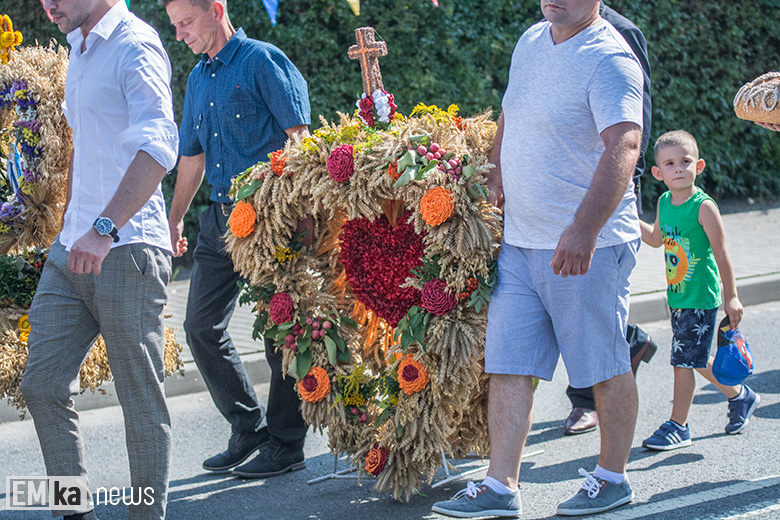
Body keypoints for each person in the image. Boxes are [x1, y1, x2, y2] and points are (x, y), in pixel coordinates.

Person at [431, 0, 644, 517]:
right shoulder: (530, 40)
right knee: (508, 365)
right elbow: (511, 112)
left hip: (585, 245)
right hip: (521, 242)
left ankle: (612, 478)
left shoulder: (610, 58)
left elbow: (627, 144)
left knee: (602, 366)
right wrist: (497, 169)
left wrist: (584, 228)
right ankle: (501, 487)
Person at [21, 0, 179, 518]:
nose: (48, 4)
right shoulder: (79, 49)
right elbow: (85, 151)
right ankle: (73, 509)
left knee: (139, 398)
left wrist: (104, 228)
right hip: (71, 250)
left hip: (127, 247)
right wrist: (67, 228)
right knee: (41, 385)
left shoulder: (135, 43)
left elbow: (159, 146)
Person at [162, 0, 311, 478]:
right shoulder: (198, 79)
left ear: (216, 10)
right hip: (217, 220)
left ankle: (287, 445)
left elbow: (299, 139)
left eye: (186, 22)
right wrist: (175, 218)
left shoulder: (261, 60)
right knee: (200, 327)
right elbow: (191, 157)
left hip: (269, 217)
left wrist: (299, 214)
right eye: (176, 26)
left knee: (278, 332)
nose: (181, 34)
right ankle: (248, 427)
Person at [563, 1, 658, 437]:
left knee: (590, 313)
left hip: (602, 198)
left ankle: (587, 401)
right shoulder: (545, 31)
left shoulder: (620, 33)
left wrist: (625, 191)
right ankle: (633, 340)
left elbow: (633, 123)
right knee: (569, 303)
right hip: (557, 195)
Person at [638, 130, 760, 450]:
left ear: (699, 165)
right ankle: (740, 396)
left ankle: (678, 426)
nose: (678, 168)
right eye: (669, 163)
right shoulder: (665, 202)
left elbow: (722, 253)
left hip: (701, 296)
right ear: (657, 172)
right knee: (694, 356)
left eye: (685, 161)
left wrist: (731, 296)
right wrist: (626, 217)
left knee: (683, 361)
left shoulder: (703, 207)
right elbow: (654, 239)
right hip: (677, 296)